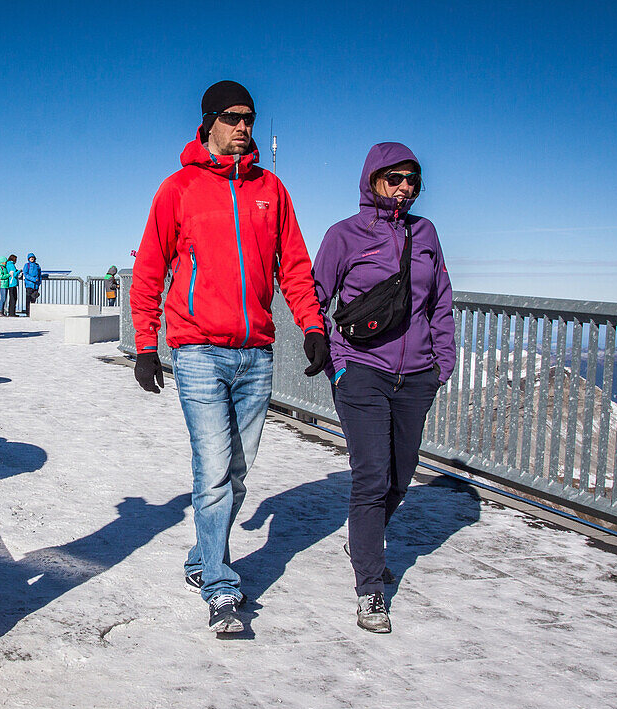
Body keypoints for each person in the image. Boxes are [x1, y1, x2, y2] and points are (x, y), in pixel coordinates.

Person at [130, 80, 329, 634]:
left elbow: (293, 265)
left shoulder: (272, 190)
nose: (245, 126)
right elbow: (149, 271)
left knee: (237, 473)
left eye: (250, 117)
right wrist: (146, 346)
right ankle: (221, 586)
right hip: (197, 350)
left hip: (256, 354)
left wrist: (312, 324)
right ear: (208, 122)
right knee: (214, 470)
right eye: (234, 117)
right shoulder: (179, 188)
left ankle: (200, 559)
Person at [312, 143, 455, 634]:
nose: (405, 188)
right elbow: (314, 296)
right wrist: (337, 363)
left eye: (412, 179)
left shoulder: (426, 233)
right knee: (372, 475)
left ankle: (363, 540)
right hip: (362, 368)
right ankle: (370, 586)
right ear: (373, 179)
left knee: (400, 476)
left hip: (416, 375)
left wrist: (442, 363)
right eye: (394, 178)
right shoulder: (344, 235)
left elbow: (440, 301)